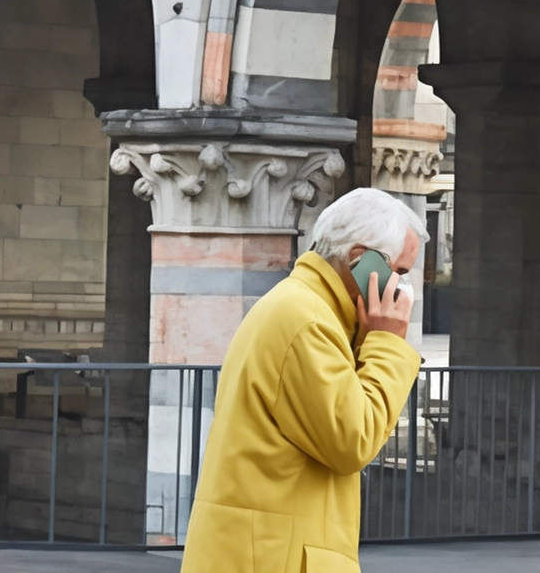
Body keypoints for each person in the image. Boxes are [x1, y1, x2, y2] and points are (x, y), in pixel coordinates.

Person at [180, 188, 427, 573]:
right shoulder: (308, 321)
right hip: (277, 557)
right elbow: (353, 440)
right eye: (399, 273)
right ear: (362, 261)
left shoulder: (302, 307)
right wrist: (386, 344)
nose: (401, 289)